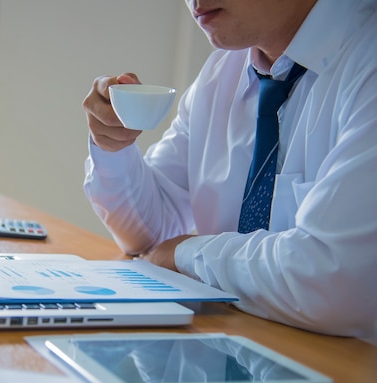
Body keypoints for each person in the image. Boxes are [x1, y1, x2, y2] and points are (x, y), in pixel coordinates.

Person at [82, 0, 377, 337]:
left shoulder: (367, 65)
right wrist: (113, 147)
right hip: (241, 345)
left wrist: (186, 255)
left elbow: (334, 279)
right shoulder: (222, 71)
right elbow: (151, 237)